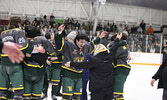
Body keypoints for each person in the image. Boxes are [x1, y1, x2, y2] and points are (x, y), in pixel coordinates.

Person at [55, 24, 107, 100]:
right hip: (68, 75)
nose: (82, 44)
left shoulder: (85, 47)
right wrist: (59, 33)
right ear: (76, 41)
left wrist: (100, 37)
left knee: (77, 97)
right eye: (81, 42)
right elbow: (59, 43)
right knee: (67, 97)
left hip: (79, 76)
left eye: (84, 42)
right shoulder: (69, 46)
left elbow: (93, 43)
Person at [65, 33, 122, 100]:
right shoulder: (110, 57)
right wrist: (117, 39)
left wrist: (71, 64)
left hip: (97, 88)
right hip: (109, 88)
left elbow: (83, 65)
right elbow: (114, 48)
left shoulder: (94, 59)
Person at [0, 16, 44, 100]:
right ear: (19, 23)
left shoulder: (3, 33)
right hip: (14, 63)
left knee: (2, 92)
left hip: (3, 65)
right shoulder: (18, 31)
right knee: (18, 92)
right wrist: (37, 49)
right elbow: (23, 47)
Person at [22, 26, 56, 100]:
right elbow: (52, 53)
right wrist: (45, 57)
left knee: (26, 96)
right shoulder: (42, 40)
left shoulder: (24, 41)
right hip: (39, 72)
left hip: (27, 71)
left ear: (26, 33)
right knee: (36, 96)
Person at [111, 31, 131, 100]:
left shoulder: (122, 47)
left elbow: (113, 54)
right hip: (119, 69)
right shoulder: (122, 46)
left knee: (118, 92)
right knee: (115, 91)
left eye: (118, 37)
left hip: (121, 70)